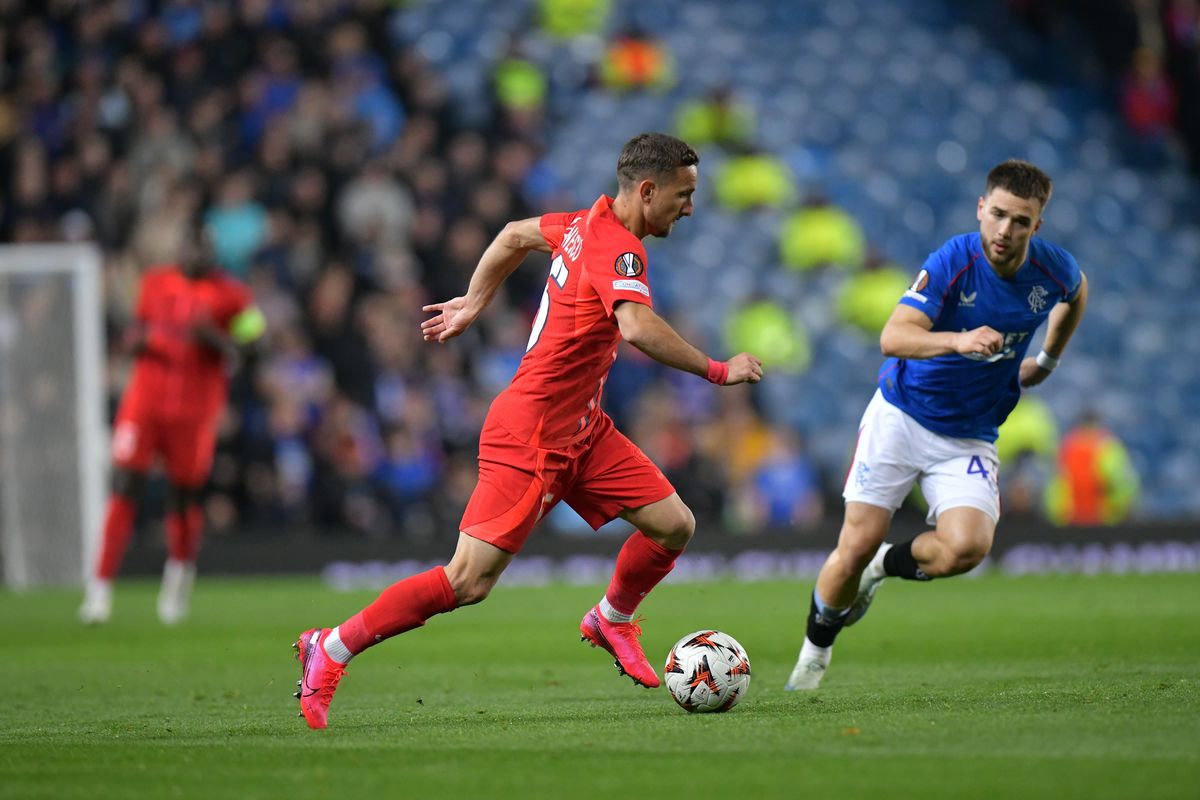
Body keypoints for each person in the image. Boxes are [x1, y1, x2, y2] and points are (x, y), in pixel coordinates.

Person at [293, 132, 764, 729]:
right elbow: (637, 328)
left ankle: (611, 619)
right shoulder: (618, 248)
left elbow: (514, 234)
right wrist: (718, 370)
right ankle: (330, 646)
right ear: (647, 190)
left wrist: (473, 300)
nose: (690, 208)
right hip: (531, 435)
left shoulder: (580, 223)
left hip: (584, 431)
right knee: (467, 581)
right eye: (683, 194)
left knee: (674, 525)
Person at [784, 159, 1088, 690]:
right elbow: (893, 336)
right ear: (981, 208)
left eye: (1020, 221)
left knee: (966, 549)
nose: (1005, 230)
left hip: (968, 434)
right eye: (997, 214)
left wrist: (1047, 360)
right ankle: (814, 652)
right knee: (853, 546)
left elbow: (1077, 292)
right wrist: (959, 340)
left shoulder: (1053, 269)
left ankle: (884, 566)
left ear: (1036, 225)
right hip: (902, 416)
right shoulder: (953, 260)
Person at [79, 217, 264, 625]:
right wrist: (135, 343)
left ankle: (178, 575)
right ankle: (99, 589)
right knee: (124, 484)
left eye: (204, 248)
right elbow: (136, 330)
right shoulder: (155, 283)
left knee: (182, 496)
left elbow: (254, 349)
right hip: (144, 404)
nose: (197, 255)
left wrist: (218, 341)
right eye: (191, 247)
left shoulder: (234, 296)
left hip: (194, 413)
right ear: (181, 249)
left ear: (213, 253)